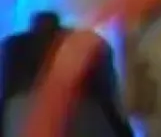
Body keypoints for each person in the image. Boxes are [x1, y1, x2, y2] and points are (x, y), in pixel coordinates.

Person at [0, 11, 134, 137]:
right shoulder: (87, 45)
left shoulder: (12, 48)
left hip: (22, 112)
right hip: (89, 108)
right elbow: (112, 104)